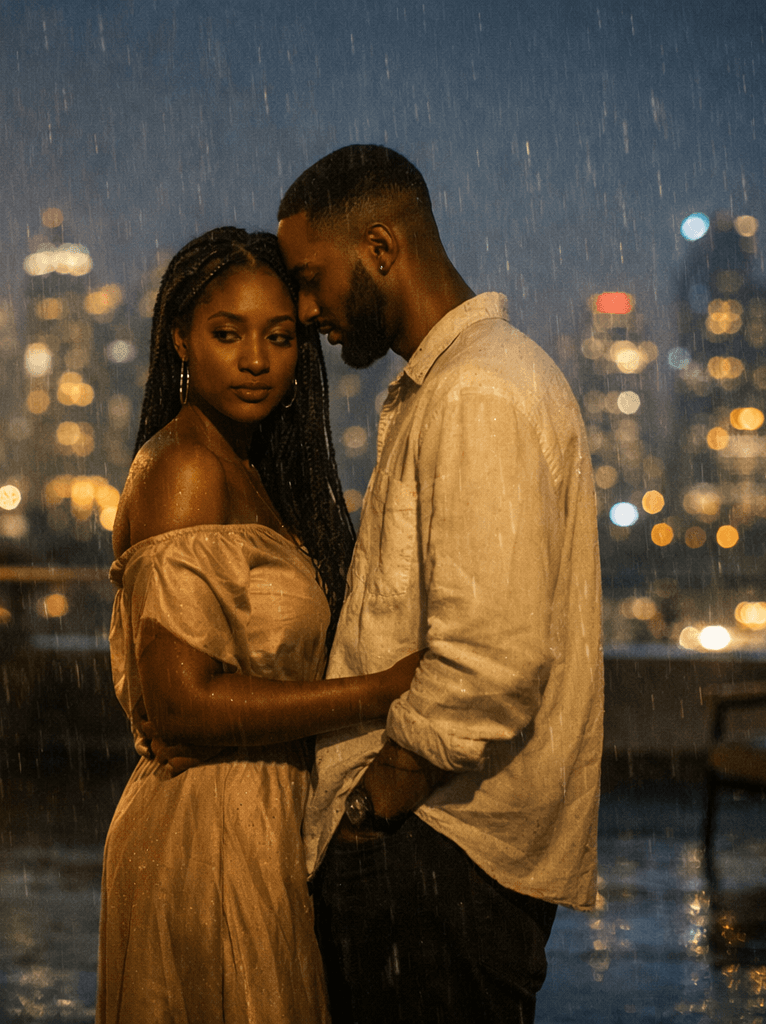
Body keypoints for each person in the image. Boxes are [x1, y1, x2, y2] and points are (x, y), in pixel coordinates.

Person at [276, 145, 604, 1023]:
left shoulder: (476, 394)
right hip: (443, 855)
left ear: (381, 249)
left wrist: (376, 805)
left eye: (312, 281)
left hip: (436, 853)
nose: (307, 314)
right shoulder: (466, 384)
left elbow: (490, 661)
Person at [96, 226, 423, 1024]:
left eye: (279, 337)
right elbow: (180, 704)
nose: (255, 360)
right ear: (180, 338)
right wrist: (378, 692)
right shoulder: (184, 471)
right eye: (227, 333)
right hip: (208, 832)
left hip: (256, 822)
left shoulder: (245, 470)